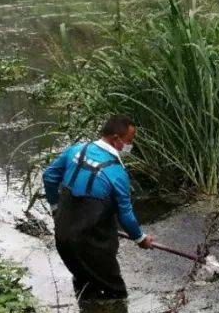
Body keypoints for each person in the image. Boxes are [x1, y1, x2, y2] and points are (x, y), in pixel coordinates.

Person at [42, 116, 154, 298]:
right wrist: (140, 239)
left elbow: (48, 176)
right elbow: (126, 216)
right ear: (116, 139)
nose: (130, 146)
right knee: (116, 295)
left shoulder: (76, 150)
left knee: (84, 285)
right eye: (129, 141)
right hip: (92, 246)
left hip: (63, 238)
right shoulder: (117, 174)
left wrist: (56, 209)